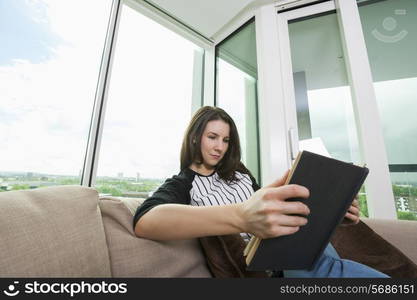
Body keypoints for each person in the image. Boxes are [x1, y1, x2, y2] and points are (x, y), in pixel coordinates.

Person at [133, 106, 388, 278]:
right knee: (327, 269)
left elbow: (274, 203)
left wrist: (333, 210)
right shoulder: (182, 183)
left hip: (292, 237)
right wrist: (242, 216)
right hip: (270, 259)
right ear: (194, 138)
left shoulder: (240, 174)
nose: (219, 147)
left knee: (327, 263)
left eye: (226, 140)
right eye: (212, 137)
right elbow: (145, 221)